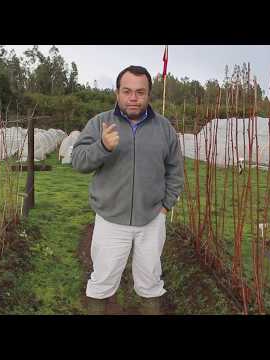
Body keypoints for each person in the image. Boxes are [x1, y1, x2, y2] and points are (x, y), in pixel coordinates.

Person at [71, 65, 184, 315]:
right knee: (102, 281)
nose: (133, 97)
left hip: (152, 219)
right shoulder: (101, 123)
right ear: (117, 93)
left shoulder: (164, 129)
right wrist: (102, 146)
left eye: (140, 92)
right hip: (111, 219)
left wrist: (165, 206)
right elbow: (78, 161)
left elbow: (175, 171)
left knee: (151, 283)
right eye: (127, 91)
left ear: (148, 95)